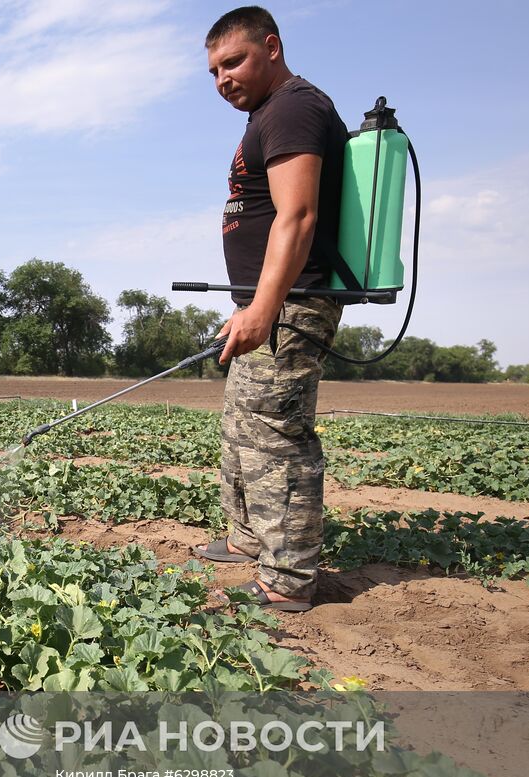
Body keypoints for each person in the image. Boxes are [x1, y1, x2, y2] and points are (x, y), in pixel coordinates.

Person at [198, 6, 349, 613]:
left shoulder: (291, 106)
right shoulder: (267, 113)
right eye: (213, 71)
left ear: (272, 47)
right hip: (262, 304)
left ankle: (288, 579)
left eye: (233, 62)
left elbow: (299, 215)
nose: (223, 79)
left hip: (289, 304)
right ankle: (249, 539)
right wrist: (250, 305)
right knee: (242, 425)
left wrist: (264, 307)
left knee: (274, 436)